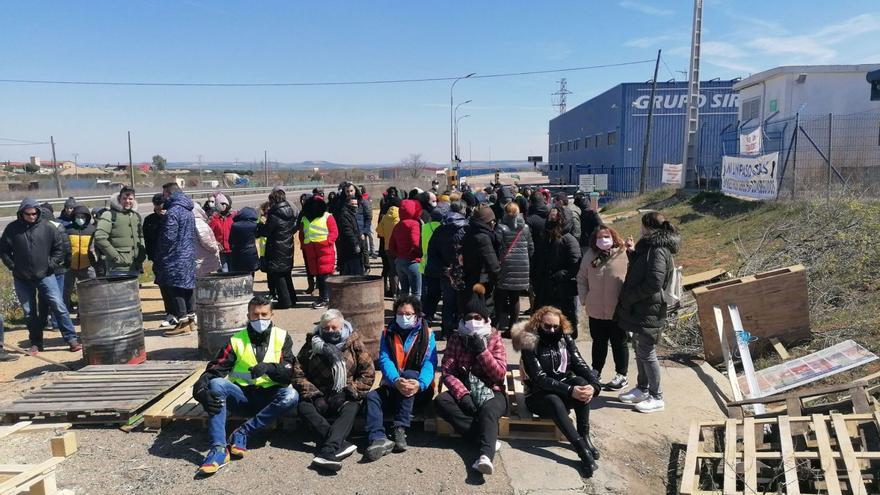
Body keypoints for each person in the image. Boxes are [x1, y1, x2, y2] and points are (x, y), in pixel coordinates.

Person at [191, 295, 298, 475]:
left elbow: (289, 372)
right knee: (217, 384)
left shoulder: (282, 337)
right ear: (248, 316)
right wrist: (200, 390)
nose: (260, 319)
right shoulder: (236, 340)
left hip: (269, 399)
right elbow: (214, 370)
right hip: (242, 398)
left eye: (264, 314)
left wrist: (270, 368)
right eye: (255, 315)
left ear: (272, 315)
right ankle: (218, 449)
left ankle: (243, 432)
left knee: (291, 396)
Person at [512, 306, 601, 477]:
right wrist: (569, 390)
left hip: (562, 388)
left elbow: (579, 364)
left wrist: (595, 385)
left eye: (556, 326)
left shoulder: (565, 338)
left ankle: (584, 435)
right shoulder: (529, 341)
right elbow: (539, 378)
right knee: (554, 400)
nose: (552, 330)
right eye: (547, 326)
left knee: (581, 382)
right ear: (538, 324)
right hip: (537, 395)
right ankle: (582, 451)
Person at [434, 285, 507, 475]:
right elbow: (448, 371)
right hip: (465, 388)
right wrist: (463, 394)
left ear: (485, 319)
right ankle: (486, 438)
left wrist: (482, 351)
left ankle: (485, 456)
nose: (473, 321)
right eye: (468, 318)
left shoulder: (494, 338)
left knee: (489, 409)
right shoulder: (456, 339)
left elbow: (499, 374)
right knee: (441, 402)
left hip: (492, 390)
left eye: (477, 318)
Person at [293, 309, 375, 471]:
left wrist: (350, 390)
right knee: (302, 406)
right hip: (319, 395)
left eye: (334, 327)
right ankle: (340, 444)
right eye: (326, 328)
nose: (330, 331)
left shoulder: (355, 344)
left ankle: (328, 450)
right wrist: (314, 394)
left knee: (352, 406)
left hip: (344, 394)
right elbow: (298, 372)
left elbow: (368, 373)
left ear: (343, 326)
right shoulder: (311, 344)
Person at [615, 212, 680, 414]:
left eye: (642, 225)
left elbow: (653, 283)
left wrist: (631, 296)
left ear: (648, 227)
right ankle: (642, 388)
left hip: (649, 308)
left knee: (646, 352)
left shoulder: (659, 250)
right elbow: (643, 269)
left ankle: (656, 396)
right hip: (642, 308)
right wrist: (632, 253)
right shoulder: (650, 247)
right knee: (639, 347)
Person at [0, 198, 81, 353]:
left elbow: (59, 250)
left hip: (46, 275)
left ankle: (71, 339)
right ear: (21, 213)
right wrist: (12, 266)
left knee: (59, 306)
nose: (32, 216)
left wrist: (50, 265)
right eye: (28, 214)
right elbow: (3, 250)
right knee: (30, 312)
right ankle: (36, 343)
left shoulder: (48, 228)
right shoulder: (12, 229)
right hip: (22, 278)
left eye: (35, 213)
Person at [365, 296, 437, 461]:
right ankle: (378, 438)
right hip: (394, 385)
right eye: (400, 313)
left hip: (419, 391)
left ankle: (399, 428)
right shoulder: (387, 332)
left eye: (408, 313)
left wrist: (420, 383)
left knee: (411, 374)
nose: (403, 317)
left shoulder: (428, 334)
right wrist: (396, 380)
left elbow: (430, 363)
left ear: (417, 314)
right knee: (372, 397)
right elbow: (384, 359)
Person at [577, 224, 629, 391]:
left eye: (606, 236)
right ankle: (596, 371)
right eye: (599, 237)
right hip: (596, 309)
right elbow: (581, 278)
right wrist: (584, 298)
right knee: (598, 342)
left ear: (613, 237)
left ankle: (621, 374)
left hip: (618, 310)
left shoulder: (623, 253)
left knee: (619, 343)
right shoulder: (590, 255)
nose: (603, 240)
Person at [155, 184, 197, 337]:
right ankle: (191, 319)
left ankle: (182, 321)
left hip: (174, 256)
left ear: (168, 194)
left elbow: (168, 237)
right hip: (188, 254)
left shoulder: (173, 212)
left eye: (164, 194)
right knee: (187, 287)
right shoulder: (187, 210)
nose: (163, 198)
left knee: (176, 288)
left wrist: (161, 254)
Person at [534, 207, 582, 337]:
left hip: (562, 289)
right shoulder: (545, 236)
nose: (551, 218)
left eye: (555, 216)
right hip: (545, 287)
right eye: (550, 216)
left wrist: (559, 276)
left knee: (564, 325)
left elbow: (575, 264)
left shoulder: (569, 239)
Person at [425, 200, 468, 339]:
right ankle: (461, 332)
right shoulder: (467, 228)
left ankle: (446, 332)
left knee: (448, 303)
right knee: (463, 303)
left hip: (446, 272)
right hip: (464, 272)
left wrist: (443, 269)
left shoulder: (440, 229)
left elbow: (431, 253)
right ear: (463, 211)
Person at [494, 202, 533, 336]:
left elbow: (496, 245)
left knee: (500, 295)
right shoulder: (525, 227)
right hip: (522, 264)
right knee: (515, 297)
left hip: (506, 264)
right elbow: (531, 247)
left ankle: (496, 325)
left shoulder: (501, 227)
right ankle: (512, 328)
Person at [256, 189, 298, 309]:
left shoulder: (274, 215)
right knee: (286, 274)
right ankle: (292, 298)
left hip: (276, 247)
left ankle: (285, 302)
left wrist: (261, 224)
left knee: (279, 275)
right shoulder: (290, 211)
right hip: (287, 246)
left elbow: (266, 232)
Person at [93, 186, 145, 276]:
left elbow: (141, 237)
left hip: (135, 266)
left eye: (130, 199)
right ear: (119, 199)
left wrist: (142, 255)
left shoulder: (136, 216)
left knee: (133, 290)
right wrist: (115, 257)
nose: (127, 201)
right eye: (124, 198)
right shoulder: (109, 215)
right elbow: (99, 237)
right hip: (117, 269)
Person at [143, 193, 176, 328]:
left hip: (174, 258)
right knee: (164, 287)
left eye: (161, 208)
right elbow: (147, 239)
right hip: (158, 259)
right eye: (156, 208)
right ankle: (169, 312)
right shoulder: (150, 220)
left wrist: (166, 219)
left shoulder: (172, 218)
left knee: (176, 287)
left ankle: (183, 313)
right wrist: (151, 257)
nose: (159, 211)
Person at [299, 195, 337, 310]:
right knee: (318, 275)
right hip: (311, 250)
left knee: (323, 275)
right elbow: (302, 233)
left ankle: (324, 298)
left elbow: (334, 232)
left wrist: (327, 242)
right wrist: (305, 245)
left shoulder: (327, 217)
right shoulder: (305, 219)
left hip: (325, 250)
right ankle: (324, 297)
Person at [459, 205, 500, 309]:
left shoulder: (469, 232)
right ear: (489, 222)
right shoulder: (484, 238)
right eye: (493, 220)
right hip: (482, 281)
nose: (494, 223)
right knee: (483, 312)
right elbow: (492, 264)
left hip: (469, 278)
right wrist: (497, 280)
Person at [417, 202, 447, 327]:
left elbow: (419, 247)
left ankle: (426, 318)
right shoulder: (443, 229)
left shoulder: (423, 228)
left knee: (429, 295)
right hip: (441, 266)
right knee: (443, 295)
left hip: (426, 265)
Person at [64, 206, 97, 312]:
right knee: (65, 291)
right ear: (73, 217)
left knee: (90, 290)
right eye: (77, 216)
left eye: (83, 217)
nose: (80, 219)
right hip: (69, 267)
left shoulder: (92, 230)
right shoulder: (67, 230)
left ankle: (85, 311)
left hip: (87, 266)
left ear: (87, 217)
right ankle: (64, 311)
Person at [388, 198, 423, 297]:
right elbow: (415, 243)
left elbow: (391, 246)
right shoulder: (414, 224)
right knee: (416, 293)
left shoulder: (398, 225)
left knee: (404, 291)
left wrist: (399, 254)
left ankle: (402, 310)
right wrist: (420, 253)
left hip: (399, 262)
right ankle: (415, 311)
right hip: (412, 261)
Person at [334, 182, 364, 276]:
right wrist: (355, 243)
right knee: (350, 269)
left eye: (351, 191)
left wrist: (363, 232)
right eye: (347, 191)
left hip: (358, 237)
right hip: (347, 243)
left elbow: (365, 218)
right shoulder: (343, 210)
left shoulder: (359, 204)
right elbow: (347, 229)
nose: (349, 193)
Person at [376, 193, 401, 297]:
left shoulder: (384, 217)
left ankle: (394, 293)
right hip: (399, 247)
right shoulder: (401, 217)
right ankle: (401, 291)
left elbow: (379, 232)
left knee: (392, 270)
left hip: (388, 247)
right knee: (401, 271)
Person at [208, 192, 236, 273]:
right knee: (224, 271)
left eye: (224, 204)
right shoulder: (214, 219)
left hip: (232, 250)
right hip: (221, 251)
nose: (223, 206)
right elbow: (209, 234)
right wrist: (215, 242)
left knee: (233, 271)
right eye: (221, 204)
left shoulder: (233, 217)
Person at [228, 207, 260, 274]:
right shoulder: (254, 225)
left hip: (237, 252)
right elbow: (258, 235)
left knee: (239, 275)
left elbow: (230, 240)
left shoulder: (235, 225)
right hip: (251, 252)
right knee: (250, 274)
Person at [193, 204, 222, 276]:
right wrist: (215, 248)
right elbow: (206, 241)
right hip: (202, 260)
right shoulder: (199, 223)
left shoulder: (188, 222)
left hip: (195, 258)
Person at [358, 185, 376, 258]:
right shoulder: (359, 198)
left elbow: (369, 208)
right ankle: (369, 250)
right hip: (364, 218)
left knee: (369, 235)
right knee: (366, 236)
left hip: (367, 218)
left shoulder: (367, 197)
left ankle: (372, 251)